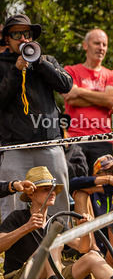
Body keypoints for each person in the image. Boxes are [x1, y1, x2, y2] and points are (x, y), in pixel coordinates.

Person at [0, 14, 74, 220]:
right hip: (15, 148)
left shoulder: (46, 60)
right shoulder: (1, 65)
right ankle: (14, 249)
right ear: (7, 39)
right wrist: (16, 71)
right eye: (17, 34)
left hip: (49, 144)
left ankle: (57, 246)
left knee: (57, 200)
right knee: (12, 204)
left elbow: (66, 85)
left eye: (27, 34)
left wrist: (40, 63)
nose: (23, 39)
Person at [0, 166, 113, 279]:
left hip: (50, 278)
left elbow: (83, 248)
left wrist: (86, 229)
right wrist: (26, 228)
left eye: (53, 190)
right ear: (31, 194)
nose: (52, 193)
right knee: (54, 239)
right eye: (46, 189)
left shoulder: (57, 221)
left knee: (92, 256)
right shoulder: (18, 217)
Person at [63, 29, 113, 165]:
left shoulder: (112, 74)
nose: (101, 48)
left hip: (103, 139)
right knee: (77, 183)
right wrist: (103, 99)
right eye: (97, 43)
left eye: (104, 45)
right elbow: (71, 96)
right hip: (75, 138)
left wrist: (79, 91)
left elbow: (110, 99)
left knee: (103, 183)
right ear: (85, 46)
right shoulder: (70, 70)